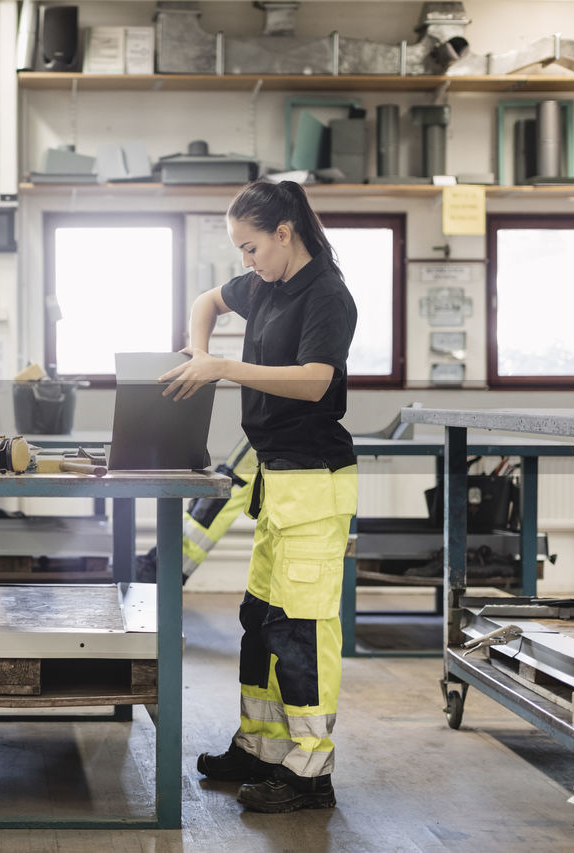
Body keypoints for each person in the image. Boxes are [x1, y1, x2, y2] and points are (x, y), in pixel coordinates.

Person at [160, 180, 358, 813]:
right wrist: (200, 348)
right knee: (261, 622)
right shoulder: (264, 284)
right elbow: (205, 301)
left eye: (251, 248)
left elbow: (312, 382)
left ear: (284, 233)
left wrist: (222, 368)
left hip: (315, 482)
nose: (245, 262)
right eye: (239, 251)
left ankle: (308, 773)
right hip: (277, 482)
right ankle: (261, 747)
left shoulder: (328, 294)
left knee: (300, 630)